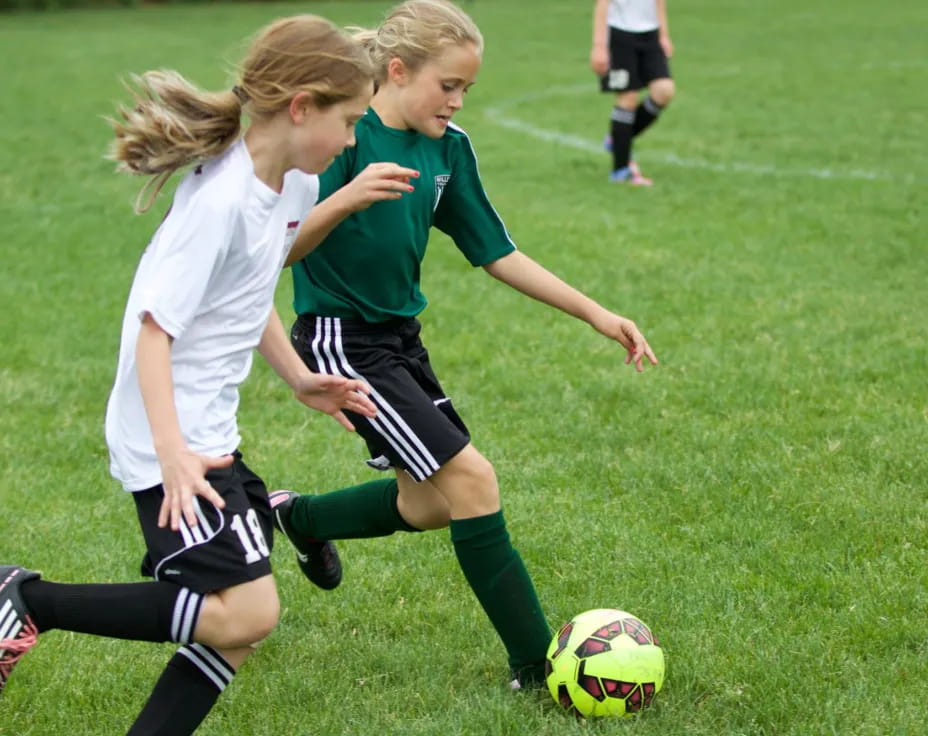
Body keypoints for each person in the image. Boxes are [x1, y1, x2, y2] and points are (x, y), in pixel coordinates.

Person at [0, 15, 403, 735]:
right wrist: (172, 454)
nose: (350, 142)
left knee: (235, 631)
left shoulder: (292, 187)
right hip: (173, 437)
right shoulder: (220, 202)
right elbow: (155, 332)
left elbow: (251, 293)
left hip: (204, 428)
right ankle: (29, 599)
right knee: (250, 611)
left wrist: (299, 377)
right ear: (301, 105)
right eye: (347, 122)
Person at [268, 0, 659, 691]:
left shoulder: (449, 150)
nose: (456, 100)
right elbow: (272, 255)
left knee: (430, 503)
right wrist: (344, 199)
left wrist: (596, 313)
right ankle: (540, 668)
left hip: (399, 342)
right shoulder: (342, 143)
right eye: (447, 85)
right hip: (338, 341)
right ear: (396, 70)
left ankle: (296, 518)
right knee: (473, 481)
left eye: (466, 89)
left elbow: (495, 250)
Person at [590, 0, 676, 185]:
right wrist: (599, 46)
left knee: (664, 90)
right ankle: (621, 172)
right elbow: (602, 3)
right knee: (628, 97)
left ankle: (618, 139)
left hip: (650, 35)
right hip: (618, 35)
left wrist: (663, 35)